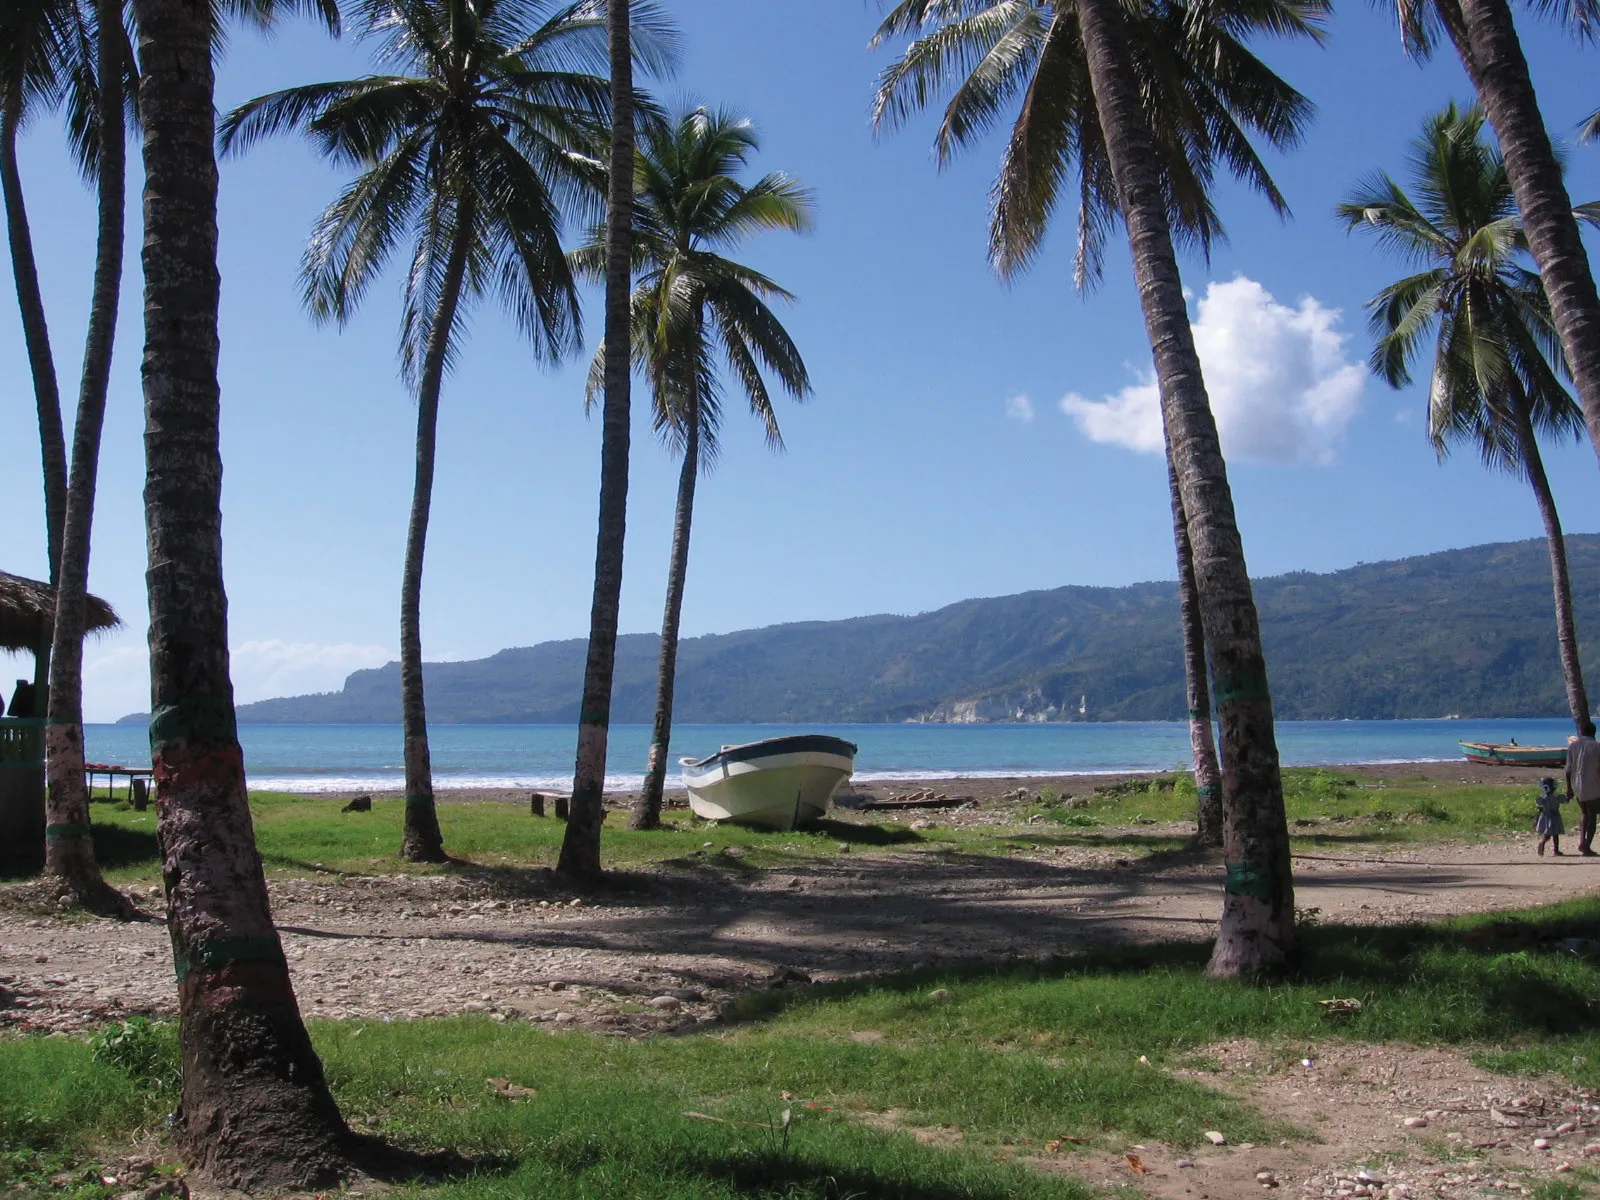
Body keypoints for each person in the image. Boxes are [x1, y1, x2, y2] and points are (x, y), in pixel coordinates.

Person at [1565, 723, 1600, 857]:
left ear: (1581, 732)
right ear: (1594, 733)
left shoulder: (1573, 747)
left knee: (1584, 812)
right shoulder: (1597, 747)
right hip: (1594, 785)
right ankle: (1586, 846)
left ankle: (1582, 840)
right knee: (1592, 815)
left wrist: (1569, 788)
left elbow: (1568, 770)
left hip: (1577, 785)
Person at [1536, 776, 1568, 856]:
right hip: (1554, 816)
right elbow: (1565, 800)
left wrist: (1536, 819)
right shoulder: (1557, 796)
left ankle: (1543, 843)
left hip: (1545, 816)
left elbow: (1539, 806)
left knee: (1547, 833)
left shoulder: (1543, 797)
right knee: (1555, 834)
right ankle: (1555, 850)